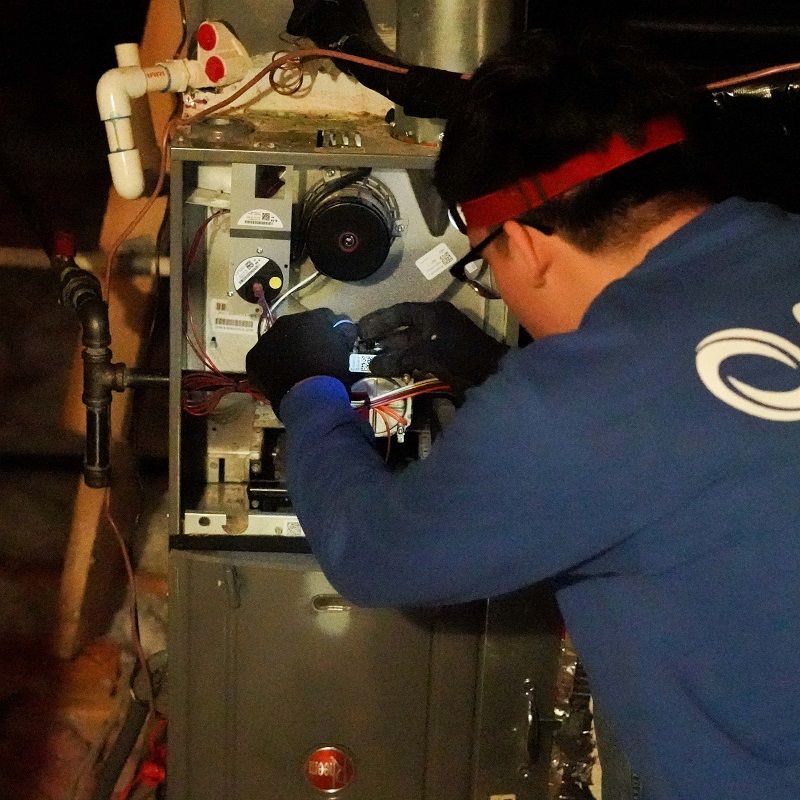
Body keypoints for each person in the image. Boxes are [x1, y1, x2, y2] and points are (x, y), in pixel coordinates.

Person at [246, 27, 800, 800]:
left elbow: (372, 553)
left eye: (484, 260)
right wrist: (494, 373)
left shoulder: (571, 408)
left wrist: (308, 390)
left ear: (524, 243)